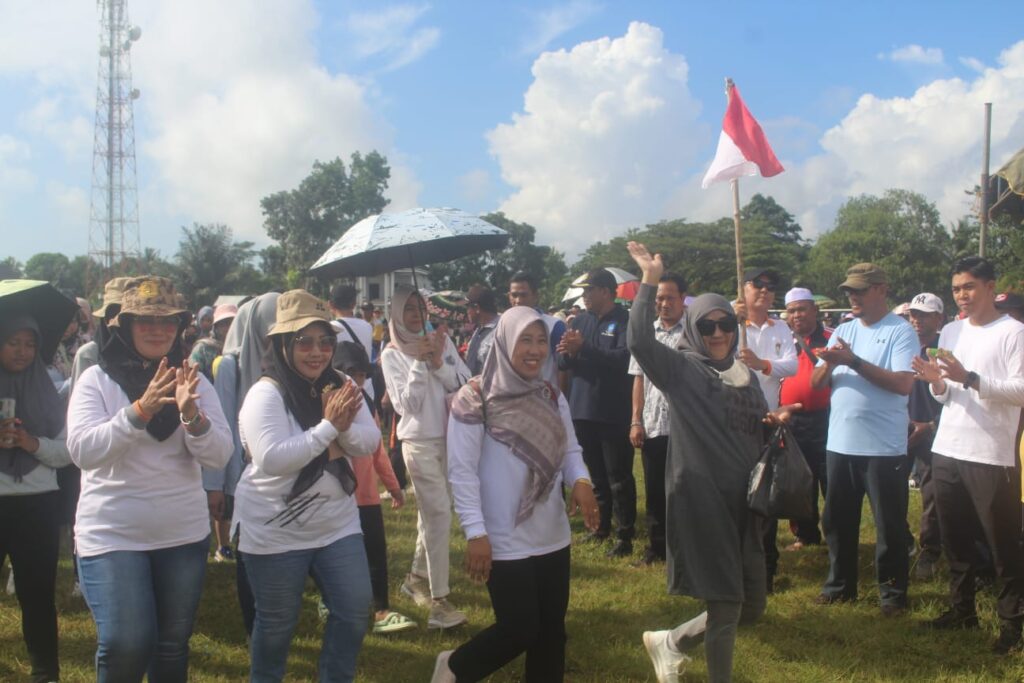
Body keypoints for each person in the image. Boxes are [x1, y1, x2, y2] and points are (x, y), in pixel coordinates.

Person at [625, 242, 792, 683]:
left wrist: (770, 421)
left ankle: (671, 641)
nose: (718, 333)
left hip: (746, 505)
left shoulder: (746, 379)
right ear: (695, 330)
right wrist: (647, 280)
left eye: (724, 325)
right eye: (708, 326)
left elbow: (750, 428)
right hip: (704, 499)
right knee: (726, 607)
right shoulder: (684, 371)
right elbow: (639, 340)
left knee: (751, 605)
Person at [66, 276, 233, 681]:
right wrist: (138, 412)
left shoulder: (191, 378)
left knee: (171, 645)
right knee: (126, 641)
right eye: (145, 321)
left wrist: (191, 417)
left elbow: (220, 453)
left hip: (181, 535)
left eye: (168, 322)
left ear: (180, 328)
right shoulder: (97, 380)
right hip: (112, 534)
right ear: (123, 325)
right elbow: (84, 451)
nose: (158, 330)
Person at [433, 306, 600, 682]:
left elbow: (570, 450)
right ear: (505, 341)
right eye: (525, 339)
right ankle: (455, 667)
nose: (535, 349)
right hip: (502, 535)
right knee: (520, 629)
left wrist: (582, 483)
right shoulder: (474, 398)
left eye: (542, 340)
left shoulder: (551, 395)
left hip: (552, 531)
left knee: (551, 634)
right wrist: (476, 533)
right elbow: (461, 472)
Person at [235, 290, 377, 681]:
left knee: (352, 610)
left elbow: (370, 441)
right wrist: (329, 427)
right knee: (278, 625)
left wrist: (343, 431)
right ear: (283, 344)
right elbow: (274, 458)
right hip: (274, 529)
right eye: (305, 341)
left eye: (325, 341)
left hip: (337, 524)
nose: (317, 352)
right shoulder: (265, 393)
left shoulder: (342, 382)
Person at [912, 257, 1024, 654]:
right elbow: (947, 396)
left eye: (970, 287)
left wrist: (970, 379)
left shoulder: (1013, 332)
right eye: (957, 288)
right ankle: (962, 611)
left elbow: (1020, 390)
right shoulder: (953, 331)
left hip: (991, 454)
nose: (962, 295)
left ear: (991, 288)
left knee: (1001, 544)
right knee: (955, 539)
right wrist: (938, 385)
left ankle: (1013, 623)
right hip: (947, 448)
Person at [810, 263, 916, 615]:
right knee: (837, 522)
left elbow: (903, 383)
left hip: (883, 447)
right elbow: (816, 384)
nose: (852, 297)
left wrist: (852, 360)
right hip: (840, 442)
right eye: (849, 291)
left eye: (859, 290)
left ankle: (892, 595)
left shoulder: (900, 331)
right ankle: (840, 586)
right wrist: (828, 363)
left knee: (889, 527)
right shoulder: (844, 329)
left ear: (882, 290)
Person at [381, 285, 471, 629]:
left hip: (450, 437)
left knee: (433, 514)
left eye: (420, 307)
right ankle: (439, 601)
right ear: (397, 314)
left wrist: (438, 362)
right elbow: (406, 406)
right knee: (439, 514)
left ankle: (416, 577)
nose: (416, 314)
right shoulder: (391, 354)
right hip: (418, 442)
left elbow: (463, 382)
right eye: (409, 309)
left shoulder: (442, 341)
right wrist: (420, 363)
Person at [1, 314, 73, 683]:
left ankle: (45, 673)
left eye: (30, 344)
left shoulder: (48, 390)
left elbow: (67, 452)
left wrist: (31, 443)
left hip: (38, 502)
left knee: (37, 595)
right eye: (13, 342)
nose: (22, 352)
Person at [204, 292, 279, 634]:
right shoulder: (229, 365)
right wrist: (216, 485)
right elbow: (221, 424)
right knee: (247, 552)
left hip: (273, 472)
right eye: (271, 323)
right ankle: (255, 626)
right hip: (240, 472)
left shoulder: (281, 361)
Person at [334, 341, 417, 635]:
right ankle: (332, 601)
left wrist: (393, 486)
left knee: (375, 553)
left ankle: (381, 609)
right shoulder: (325, 402)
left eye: (361, 375)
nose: (356, 380)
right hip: (337, 496)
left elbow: (377, 450)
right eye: (350, 373)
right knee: (337, 556)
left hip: (366, 494)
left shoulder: (365, 404)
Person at [557, 268, 636, 558]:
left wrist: (585, 348)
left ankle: (624, 534)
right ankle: (600, 527)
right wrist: (569, 352)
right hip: (583, 409)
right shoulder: (579, 320)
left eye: (589, 290)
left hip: (613, 410)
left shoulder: (625, 320)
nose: (585, 296)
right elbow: (563, 361)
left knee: (619, 476)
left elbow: (623, 359)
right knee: (596, 475)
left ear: (605, 290)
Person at [628, 272, 687, 565]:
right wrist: (636, 420)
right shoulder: (645, 334)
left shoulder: (694, 334)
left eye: (670, 298)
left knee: (685, 489)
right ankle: (657, 547)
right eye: (659, 298)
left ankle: (685, 548)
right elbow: (638, 379)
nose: (664, 304)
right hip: (653, 424)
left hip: (684, 427)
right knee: (654, 490)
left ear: (683, 300)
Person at [778, 288, 831, 552]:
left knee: (830, 480)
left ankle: (835, 532)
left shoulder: (832, 338)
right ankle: (805, 534)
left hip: (827, 421)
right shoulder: (785, 341)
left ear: (814, 310)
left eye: (802, 309)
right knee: (800, 481)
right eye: (792, 311)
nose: (797, 315)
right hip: (793, 421)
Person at [905, 292, 945, 580]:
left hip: (934, 430)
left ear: (938, 318)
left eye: (924, 314)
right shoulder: (902, 344)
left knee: (932, 495)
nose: (917, 320)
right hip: (901, 426)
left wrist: (930, 425)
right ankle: (902, 542)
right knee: (889, 489)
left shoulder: (946, 350)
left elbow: (956, 394)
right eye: (913, 314)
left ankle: (929, 551)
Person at [508, 271, 566, 385]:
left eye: (523, 295)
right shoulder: (503, 326)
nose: (518, 301)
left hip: (544, 397)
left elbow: (563, 368)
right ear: (509, 296)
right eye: (514, 295)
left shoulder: (554, 326)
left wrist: (558, 399)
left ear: (535, 296)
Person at [189, 304, 236, 382]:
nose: (229, 327)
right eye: (224, 323)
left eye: (233, 323)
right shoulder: (203, 348)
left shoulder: (242, 347)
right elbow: (191, 377)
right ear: (216, 326)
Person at [465, 286, 500, 375]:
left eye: (468, 307)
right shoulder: (479, 331)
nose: (467, 311)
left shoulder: (500, 331)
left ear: (476, 308)